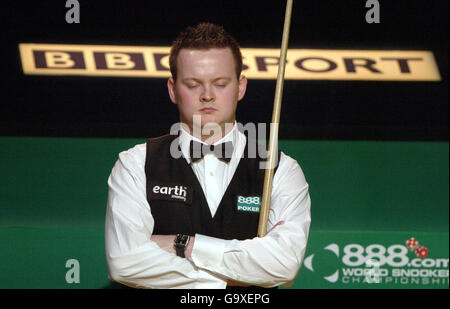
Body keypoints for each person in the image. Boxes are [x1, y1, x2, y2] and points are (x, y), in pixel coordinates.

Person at [105, 22, 311, 289]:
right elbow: (125, 263)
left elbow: (284, 265)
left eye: (220, 83)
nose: (207, 95)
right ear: (172, 89)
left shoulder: (280, 169)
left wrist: (185, 244)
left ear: (240, 87)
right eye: (193, 84)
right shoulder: (135, 164)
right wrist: (237, 277)